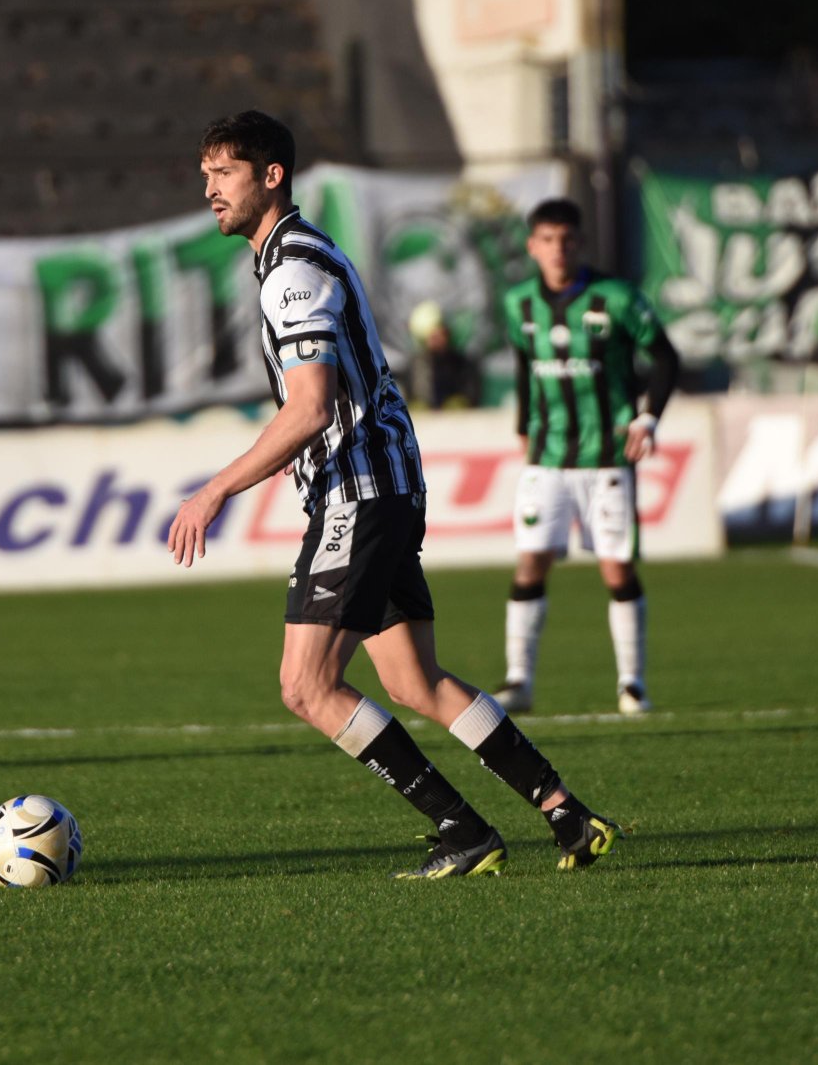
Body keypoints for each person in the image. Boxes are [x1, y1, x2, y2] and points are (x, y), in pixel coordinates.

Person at [167, 112, 620, 879]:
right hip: (381, 487)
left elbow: (309, 406)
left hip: (359, 493)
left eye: (224, 172)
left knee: (305, 685)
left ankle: (462, 828)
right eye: (206, 172)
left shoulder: (292, 270)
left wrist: (215, 489)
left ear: (271, 174)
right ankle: (563, 810)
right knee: (414, 680)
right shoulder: (293, 256)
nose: (208, 188)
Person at [493, 198, 681, 717]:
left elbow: (666, 356)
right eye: (547, 240)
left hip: (606, 460)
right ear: (532, 246)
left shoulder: (616, 297)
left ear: (581, 244)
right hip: (548, 459)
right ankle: (519, 681)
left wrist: (648, 418)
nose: (558, 249)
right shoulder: (519, 304)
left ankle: (632, 683)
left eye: (567, 240)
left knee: (616, 571)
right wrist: (521, 426)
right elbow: (524, 366)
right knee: (530, 562)